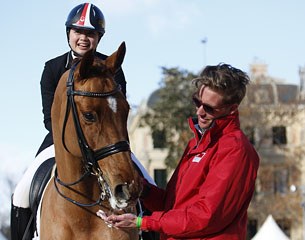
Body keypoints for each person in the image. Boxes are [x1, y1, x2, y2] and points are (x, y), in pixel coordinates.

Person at [11, 3, 154, 240]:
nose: (84, 38)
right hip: (61, 141)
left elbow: (116, 113)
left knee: (146, 182)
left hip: (107, 141)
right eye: (78, 32)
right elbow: (49, 119)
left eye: (90, 33)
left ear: (99, 37)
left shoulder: (112, 67)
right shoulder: (53, 68)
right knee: (21, 192)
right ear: (69, 33)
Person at [100, 63, 260, 240]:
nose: (200, 112)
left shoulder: (235, 149)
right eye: (197, 102)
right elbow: (172, 206)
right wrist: (143, 190)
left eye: (209, 108)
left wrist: (142, 222)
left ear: (232, 108)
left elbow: (206, 216)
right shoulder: (197, 143)